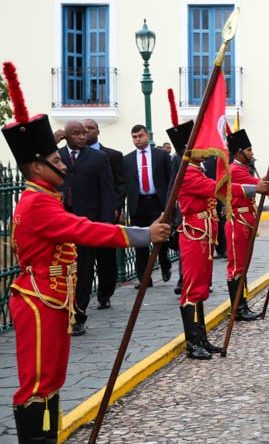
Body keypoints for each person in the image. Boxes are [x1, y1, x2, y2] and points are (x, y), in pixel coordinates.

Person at [2, 62, 171, 442]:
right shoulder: (37, 204)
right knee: (37, 380)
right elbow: (85, 229)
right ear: (36, 167)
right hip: (40, 297)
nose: (64, 166)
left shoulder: (48, 196)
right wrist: (144, 234)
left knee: (53, 376)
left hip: (54, 296)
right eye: (57, 161)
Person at [174, 120, 269, 358]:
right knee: (193, 289)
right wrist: (251, 189)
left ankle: (201, 338)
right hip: (195, 233)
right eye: (199, 146)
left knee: (202, 288)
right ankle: (192, 342)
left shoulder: (197, 170)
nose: (206, 149)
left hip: (205, 232)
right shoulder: (187, 174)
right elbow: (218, 189)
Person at [226, 129, 269, 321]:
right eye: (248, 149)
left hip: (245, 222)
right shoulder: (236, 171)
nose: (252, 153)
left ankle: (242, 303)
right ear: (239, 152)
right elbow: (265, 187)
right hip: (237, 223)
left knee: (243, 265)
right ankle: (238, 308)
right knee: (237, 267)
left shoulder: (242, 169)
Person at [58, 120, 116, 336]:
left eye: (84, 133)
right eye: (76, 133)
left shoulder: (98, 158)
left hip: (87, 223)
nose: (82, 137)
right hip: (61, 223)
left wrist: (106, 221)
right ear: (66, 136)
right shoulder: (57, 157)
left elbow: (107, 191)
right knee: (63, 270)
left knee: (84, 270)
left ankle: (79, 315)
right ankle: (62, 311)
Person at [83, 119, 126, 310]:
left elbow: (120, 184)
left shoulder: (112, 155)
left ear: (98, 131)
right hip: (83, 217)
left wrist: (114, 208)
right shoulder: (72, 157)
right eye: (83, 130)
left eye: (90, 128)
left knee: (106, 259)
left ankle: (104, 293)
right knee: (84, 260)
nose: (86, 132)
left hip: (106, 215)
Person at [124, 125, 172, 289]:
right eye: (134, 137)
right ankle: (144, 278)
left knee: (162, 239)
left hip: (157, 203)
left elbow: (170, 180)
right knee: (140, 242)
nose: (138, 139)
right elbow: (125, 185)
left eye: (140, 136)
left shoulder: (161, 156)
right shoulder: (128, 159)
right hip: (138, 204)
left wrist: (169, 204)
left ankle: (165, 264)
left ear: (147, 136)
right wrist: (121, 208)